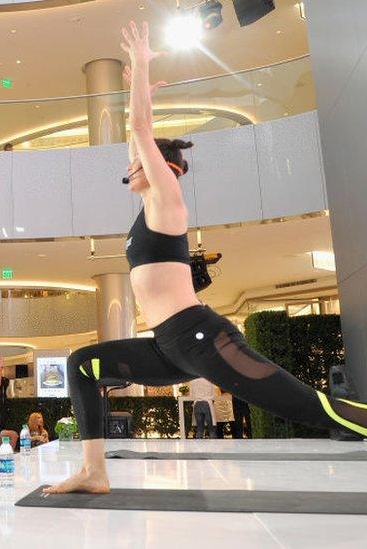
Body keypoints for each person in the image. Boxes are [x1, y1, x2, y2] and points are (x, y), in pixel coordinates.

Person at [45, 21, 367, 495]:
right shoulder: (148, 209)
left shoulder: (167, 200)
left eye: (136, 163)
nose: (128, 167)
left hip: (200, 338)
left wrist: (138, 69)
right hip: (167, 346)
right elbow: (142, 134)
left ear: (157, 166)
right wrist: (144, 91)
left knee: (304, 405)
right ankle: (94, 472)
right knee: (82, 365)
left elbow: (139, 129)